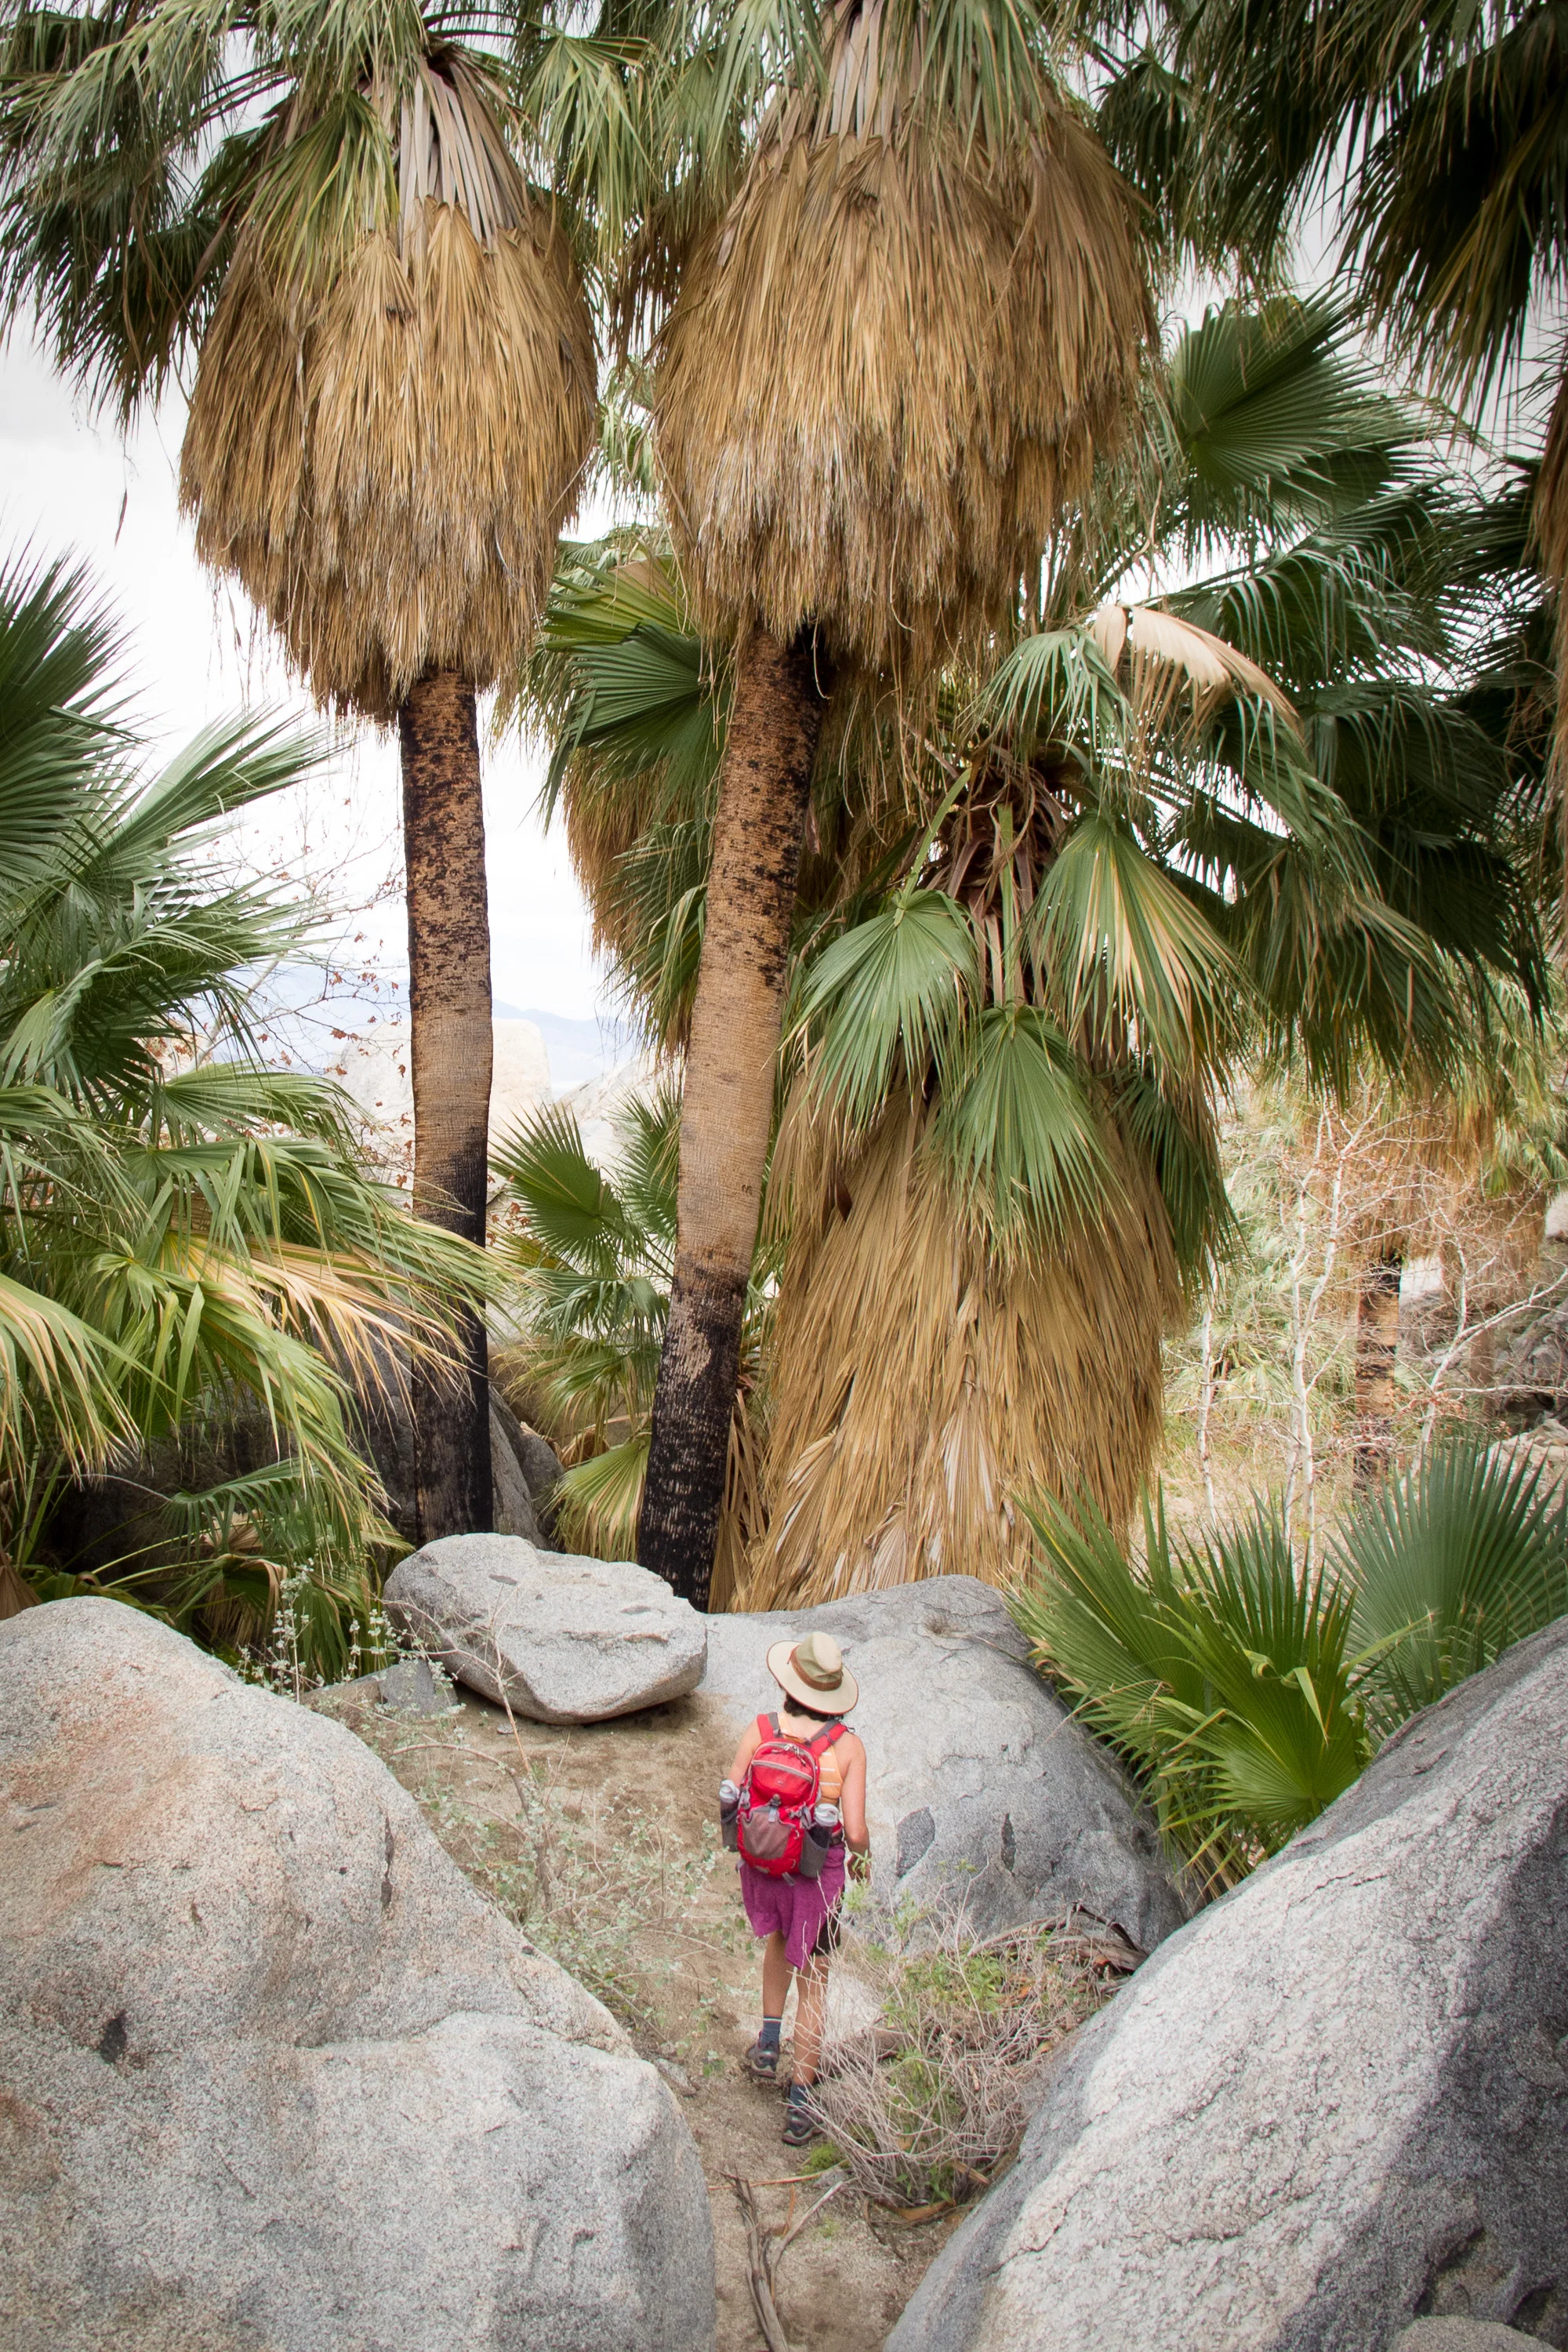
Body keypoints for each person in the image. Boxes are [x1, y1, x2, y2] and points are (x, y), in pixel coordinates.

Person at [726, 1631, 869, 2146]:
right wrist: (865, 1856)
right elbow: (853, 1831)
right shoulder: (847, 1748)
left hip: (765, 1869)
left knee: (778, 1943)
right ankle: (801, 2104)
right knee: (816, 1977)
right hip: (815, 1876)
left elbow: (732, 1791)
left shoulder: (761, 1729)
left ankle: (767, 2043)